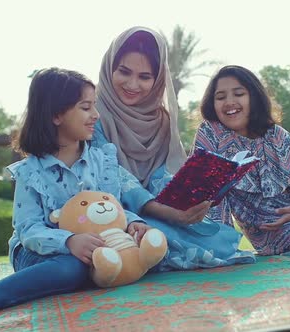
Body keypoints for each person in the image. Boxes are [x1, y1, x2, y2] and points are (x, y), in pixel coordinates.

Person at [0, 67, 210, 330]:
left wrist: (134, 223)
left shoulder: (103, 160)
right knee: (72, 269)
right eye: (85, 107)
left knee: (135, 254)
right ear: (56, 115)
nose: (96, 115)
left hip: (98, 249)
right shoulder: (31, 172)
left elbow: (113, 208)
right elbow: (28, 229)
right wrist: (68, 241)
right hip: (39, 252)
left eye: (94, 106)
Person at [92, 27, 255, 270]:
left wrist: (185, 200)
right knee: (141, 237)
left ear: (157, 80)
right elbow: (113, 177)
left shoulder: (161, 120)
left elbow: (162, 172)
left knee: (211, 239)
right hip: (107, 209)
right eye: (124, 72)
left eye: (145, 77)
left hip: (157, 211)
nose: (132, 84)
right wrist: (169, 214)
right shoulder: (91, 115)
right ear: (109, 68)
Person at [194, 65, 290, 256]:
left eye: (238, 94)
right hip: (269, 234)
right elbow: (208, 196)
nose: (229, 102)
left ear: (253, 97)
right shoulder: (211, 134)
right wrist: (222, 248)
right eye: (220, 97)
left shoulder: (278, 136)